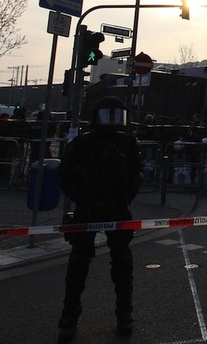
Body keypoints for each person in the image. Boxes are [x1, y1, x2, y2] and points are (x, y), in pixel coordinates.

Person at [57, 97, 143, 342]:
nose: (114, 122)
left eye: (118, 117)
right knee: (79, 265)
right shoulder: (84, 143)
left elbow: (136, 174)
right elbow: (66, 175)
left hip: (112, 209)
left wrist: (123, 199)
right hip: (90, 210)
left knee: (121, 265)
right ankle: (69, 315)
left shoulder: (126, 143)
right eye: (110, 116)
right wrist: (86, 200)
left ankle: (124, 312)